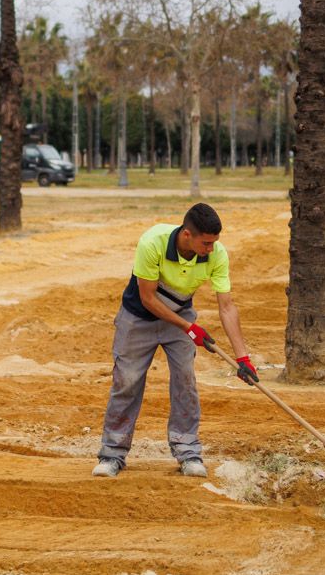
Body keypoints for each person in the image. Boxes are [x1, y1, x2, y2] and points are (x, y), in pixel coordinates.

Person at [92, 202, 256, 479]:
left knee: (185, 381)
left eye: (215, 242)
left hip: (180, 317)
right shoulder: (152, 242)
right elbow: (147, 298)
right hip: (137, 319)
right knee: (127, 382)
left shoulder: (216, 255)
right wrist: (188, 327)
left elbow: (227, 307)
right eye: (206, 243)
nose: (211, 249)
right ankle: (112, 454)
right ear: (186, 235)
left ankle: (188, 452)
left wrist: (243, 357)